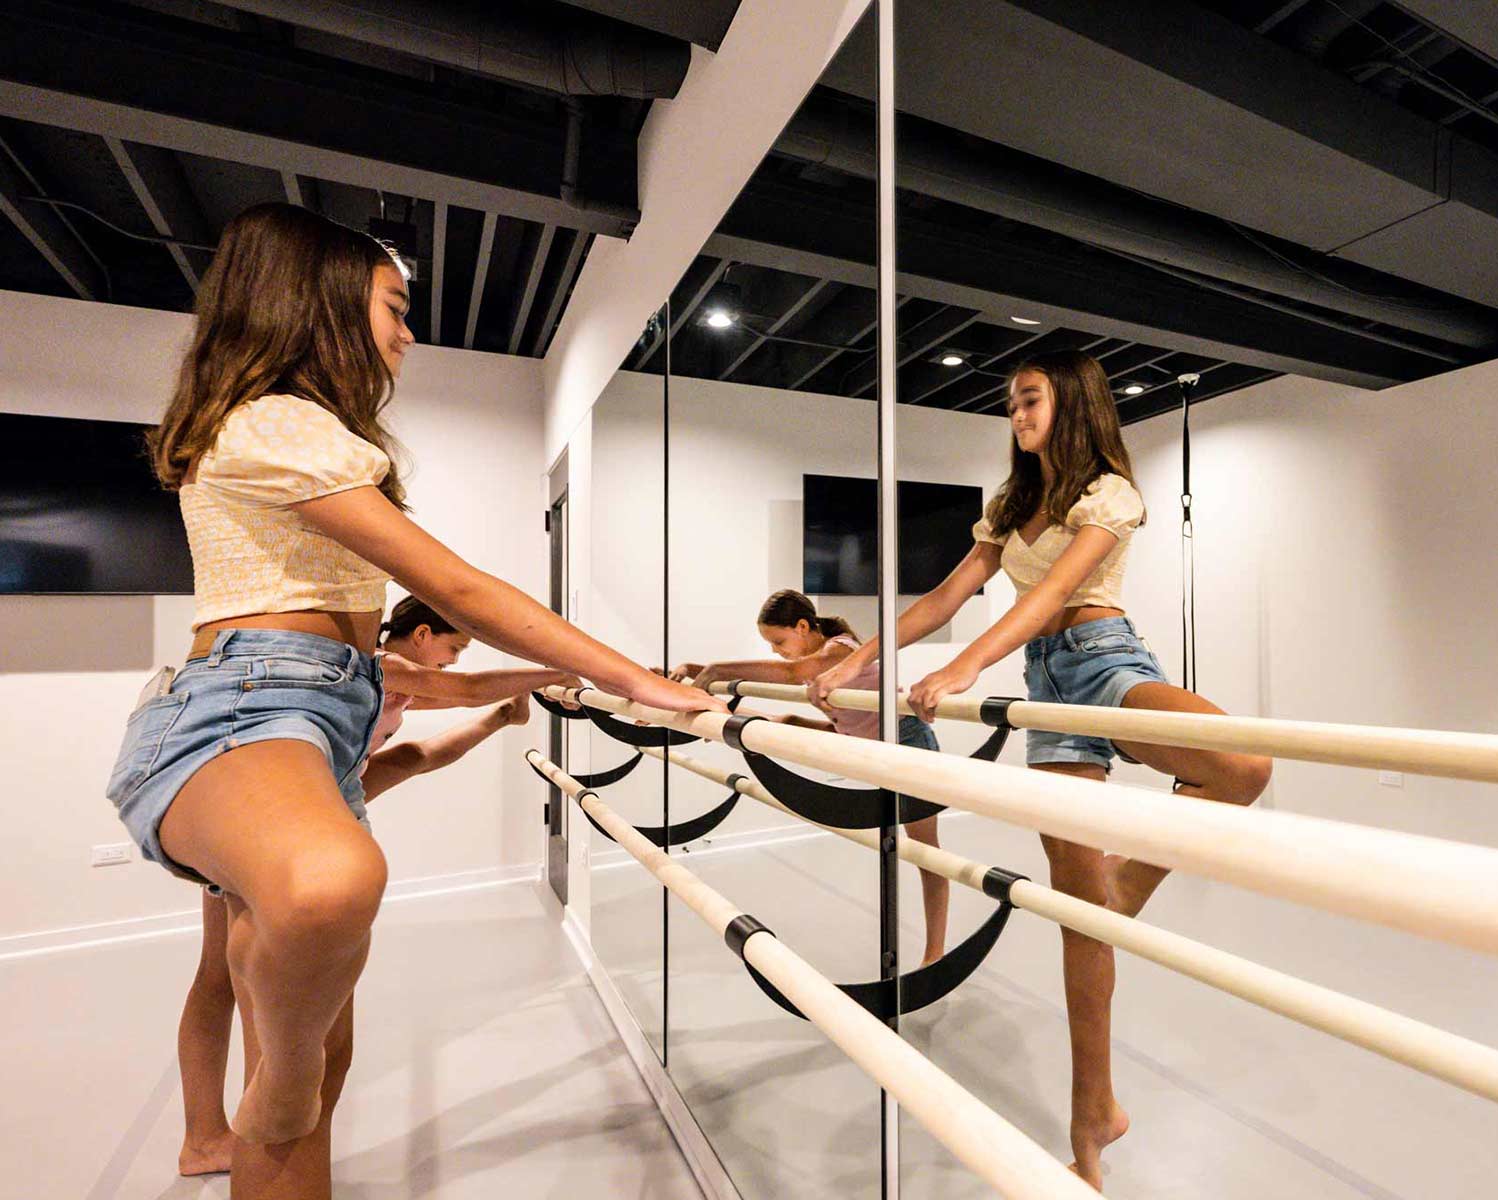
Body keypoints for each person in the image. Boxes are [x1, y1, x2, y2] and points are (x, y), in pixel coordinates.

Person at [108, 202, 721, 1200]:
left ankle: (282, 1097)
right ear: (319, 308)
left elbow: (454, 676)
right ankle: (274, 1085)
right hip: (248, 707)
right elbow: (465, 590)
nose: (406, 332)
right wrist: (633, 677)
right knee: (327, 891)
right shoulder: (273, 423)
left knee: (317, 1064)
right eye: (393, 307)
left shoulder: (300, 434)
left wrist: (548, 687)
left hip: (320, 715)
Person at [805, 350, 1270, 1188]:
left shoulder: (1110, 493)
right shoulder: (1008, 505)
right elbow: (947, 596)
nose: (1016, 416)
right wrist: (859, 662)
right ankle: (1093, 1121)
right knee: (1076, 918)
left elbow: (1053, 595)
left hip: (1105, 663)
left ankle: (1121, 897)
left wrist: (964, 668)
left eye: (1030, 400)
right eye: (1010, 403)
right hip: (1044, 688)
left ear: (1074, 405)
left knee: (1240, 766)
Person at [174, 596, 580, 1176]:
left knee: (222, 977)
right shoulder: (366, 667)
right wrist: (573, 669)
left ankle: (205, 1140)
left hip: (286, 807)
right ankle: (250, 1151)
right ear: (419, 635)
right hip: (276, 821)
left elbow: (416, 754)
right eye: (450, 648)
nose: (450, 662)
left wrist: (498, 719)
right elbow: (467, 688)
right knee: (276, 1012)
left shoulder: (393, 691)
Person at [671, 588, 951, 966]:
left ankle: (934, 953)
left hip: (906, 740)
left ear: (803, 626)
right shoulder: (817, 656)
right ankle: (715, 717)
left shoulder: (838, 649)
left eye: (778, 641)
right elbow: (787, 672)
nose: (775, 650)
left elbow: (791, 673)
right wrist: (697, 670)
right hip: (863, 741)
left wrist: (717, 669)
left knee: (926, 853)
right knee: (781, 723)